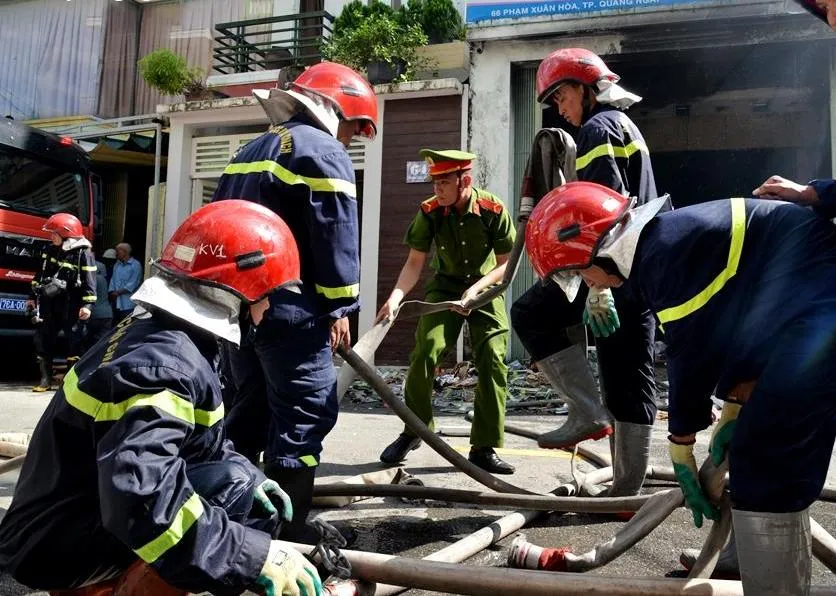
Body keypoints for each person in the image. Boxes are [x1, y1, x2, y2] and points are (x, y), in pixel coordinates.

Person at [525, 180, 836, 593]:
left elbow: (693, 353)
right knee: (765, 460)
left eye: (581, 272)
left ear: (597, 249)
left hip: (821, 315)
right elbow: (740, 326)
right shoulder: (668, 242)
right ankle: (758, 569)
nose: (589, 283)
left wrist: (681, 444)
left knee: (767, 464)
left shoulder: (663, 257)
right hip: (806, 314)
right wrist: (734, 408)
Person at [0, 200, 322, 596]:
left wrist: (253, 476)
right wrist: (250, 558)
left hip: (63, 522)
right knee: (231, 500)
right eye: (267, 294)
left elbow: (198, 444)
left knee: (239, 487)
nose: (268, 306)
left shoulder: (167, 339)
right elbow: (139, 494)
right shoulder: (165, 368)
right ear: (236, 291)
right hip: (54, 547)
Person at [212, 61, 378, 542]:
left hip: (240, 309)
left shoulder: (249, 149)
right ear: (338, 110)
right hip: (293, 312)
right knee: (304, 413)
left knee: (250, 410)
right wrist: (340, 309)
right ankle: (289, 532)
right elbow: (334, 236)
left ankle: (231, 521)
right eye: (354, 128)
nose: (350, 140)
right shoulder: (322, 151)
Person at [510, 48, 659, 498]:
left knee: (531, 313)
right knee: (628, 375)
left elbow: (603, 210)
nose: (560, 109)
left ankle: (585, 411)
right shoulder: (624, 124)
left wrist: (596, 285)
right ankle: (625, 491)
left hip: (612, 269)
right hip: (639, 271)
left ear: (583, 87)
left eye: (560, 97)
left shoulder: (598, 128)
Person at [376, 149, 517, 474]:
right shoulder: (429, 212)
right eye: (434, 182)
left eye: (443, 182)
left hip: (485, 289)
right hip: (445, 287)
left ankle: (483, 447)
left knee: (493, 360)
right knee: (425, 352)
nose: (436, 189)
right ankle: (415, 430)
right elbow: (414, 263)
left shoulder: (492, 209)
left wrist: (475, 291)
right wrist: (396, 296)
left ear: (464, 180)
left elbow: (505, 264)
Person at [28, 213, 96, 392]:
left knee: (75, 341)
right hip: (50, 304)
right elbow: (39, 276)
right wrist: (31, 298)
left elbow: (90, 281)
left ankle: (70, 382)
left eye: (54, 233)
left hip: (72, 305)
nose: (51, 237)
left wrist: (88, 305)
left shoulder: (83, 253)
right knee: (43, 339)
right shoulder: (50, 250)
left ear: (67, 234)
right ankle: (45, 380)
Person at [84, 256, 113, 351]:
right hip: (107, 314)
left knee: (89, 342)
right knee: (103, 342)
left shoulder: (90, 281)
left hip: (94, 314)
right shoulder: (103, 280)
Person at [108, 242, 142, 325]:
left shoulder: (135, 265)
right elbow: (113, 280)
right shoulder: (117, 264)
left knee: (126, 327)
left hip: (128, 304)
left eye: (118, 251)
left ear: (125, 252)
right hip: (116, 302)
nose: (116, 254)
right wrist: (112, 292)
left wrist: (117, 292)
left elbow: (133, 283)